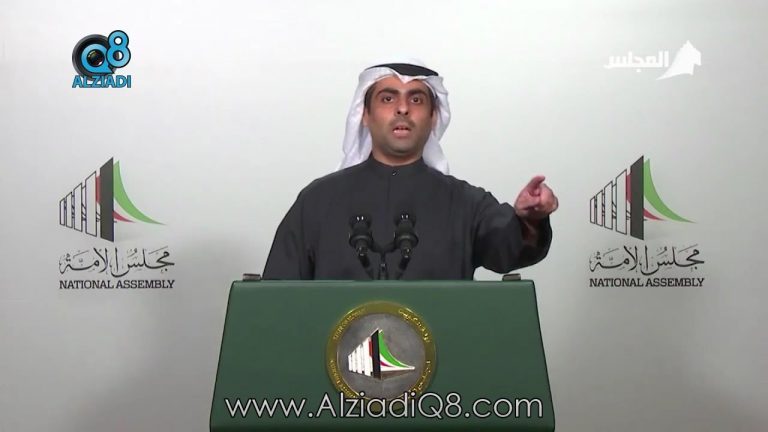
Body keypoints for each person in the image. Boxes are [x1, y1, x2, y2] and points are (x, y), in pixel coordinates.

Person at [263, 61, 558, 280]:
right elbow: (279, 295)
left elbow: (509, 250)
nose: (402, 109)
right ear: (364, 115)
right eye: (388, 98)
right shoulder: (318, 201)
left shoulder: (465, 203)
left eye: (416, 99)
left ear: (433, 117)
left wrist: (530, 220)